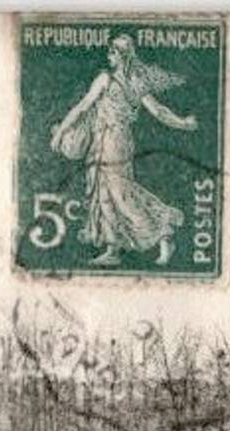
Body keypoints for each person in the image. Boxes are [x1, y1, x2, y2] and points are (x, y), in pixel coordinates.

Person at [50, 35, 198, 266]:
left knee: (119, 193)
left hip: (111, 141)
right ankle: (113, 248)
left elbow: (82, 108)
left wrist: (60, 133)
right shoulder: (135, 82)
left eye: (112, 52)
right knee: (105, 192)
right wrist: (183, 123)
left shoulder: (106, 79)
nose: (109, 55)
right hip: (115, 140)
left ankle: (163, 232)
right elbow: (159, 111)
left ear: (121, 55)